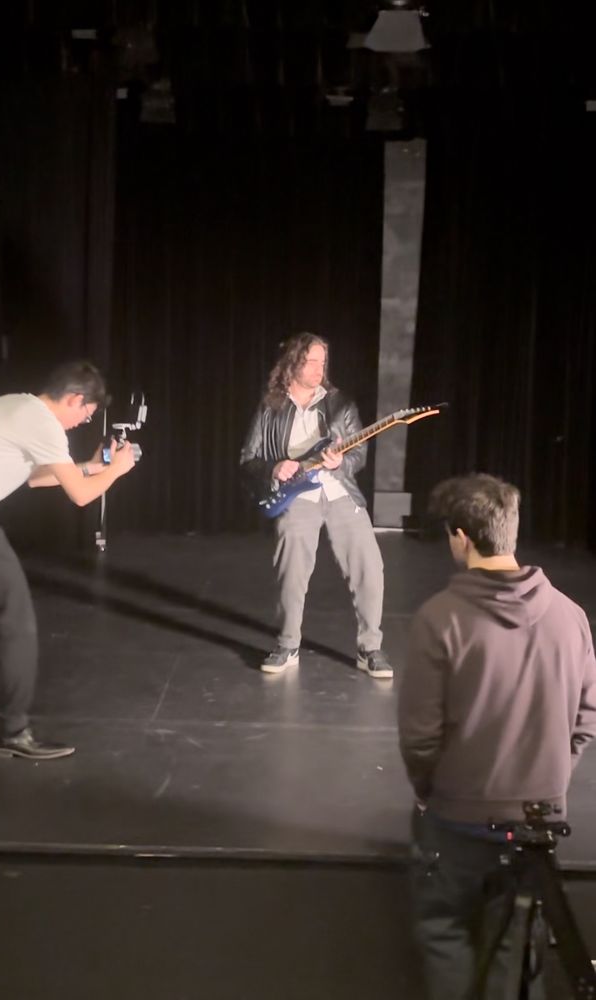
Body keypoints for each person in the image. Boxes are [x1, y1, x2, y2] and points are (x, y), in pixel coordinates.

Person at [397, 473, 596, 999]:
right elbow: (586, 719)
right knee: (518, 944)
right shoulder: (571, 616)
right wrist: (548, 779)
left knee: (444, 929)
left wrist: (431, 791)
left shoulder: (439, 619)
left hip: (457, 818)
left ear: (461, 537)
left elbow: (420, 737)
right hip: (538, 821)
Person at [0, 360, 137, 760]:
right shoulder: (43, 423)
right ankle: (13, 732)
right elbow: (81, 496)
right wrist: (119, 471)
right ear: (75, 398)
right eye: (86, 414)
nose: (82, 422)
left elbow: (36, 478)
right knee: (16, 622)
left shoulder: (19, 406)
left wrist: (94, 466)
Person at [240, 332, 392, 677]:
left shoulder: (341, 404)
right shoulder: (270, 406)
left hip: (339, 492)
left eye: (322, 362)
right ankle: (288, 644)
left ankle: (370, 648)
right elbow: (248, 458)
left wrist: (341, 463)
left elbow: (359, 455)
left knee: (370, 567)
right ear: (292, 362)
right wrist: (274, 468)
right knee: (292, 569)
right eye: (311, 361)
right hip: (297, 495)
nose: (318, 368)